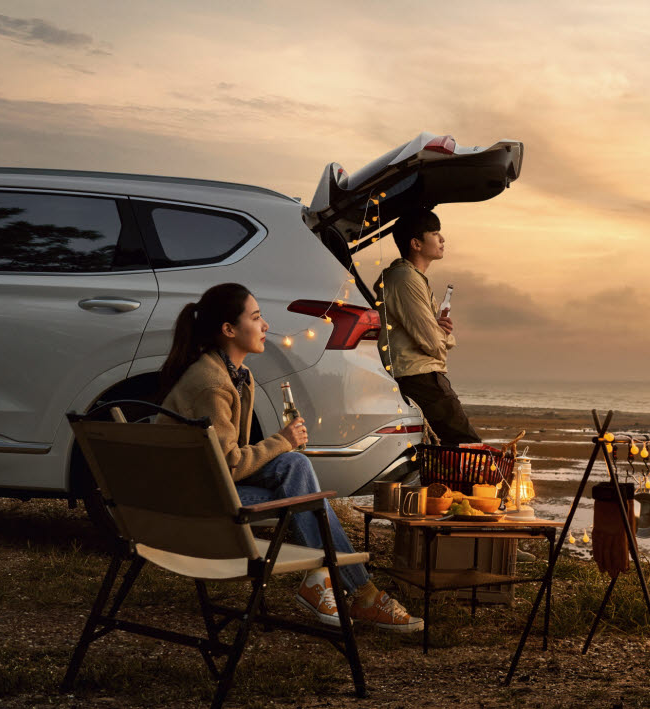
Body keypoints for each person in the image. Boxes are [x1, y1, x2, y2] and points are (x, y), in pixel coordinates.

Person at [156, 282, 423, 633]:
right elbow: (229, 465)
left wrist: (281, 448)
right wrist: (282, 441)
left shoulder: (235, 375)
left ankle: (329, 580)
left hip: (201, 487)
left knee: (294, 468)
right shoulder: (213, 383)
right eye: (255, 317)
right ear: (229, 330)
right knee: (302, 488)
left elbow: (227, 459)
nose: (265, 325)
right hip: (195, 502)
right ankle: (361, 591)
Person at [374, 208, 482, 445]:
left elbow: (436, 334)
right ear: (416, 243)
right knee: (468, 445)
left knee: (442, 450)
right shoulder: (404, 278)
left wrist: (438, 331)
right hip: (419, 376)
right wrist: (442, 336)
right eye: (434, 233)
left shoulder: (412, 277)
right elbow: (433, 342)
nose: (442, 239)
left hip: (421, 374)